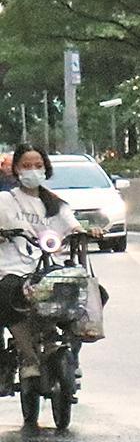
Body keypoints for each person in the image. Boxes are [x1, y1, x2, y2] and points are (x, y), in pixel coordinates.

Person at [1, 146, 80, 375]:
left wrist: (83, 231)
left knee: (89, 293)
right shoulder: (6, 200)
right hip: (12, 269)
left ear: (46, 168)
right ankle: (28, 358)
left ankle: (70, 354)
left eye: (38, 166)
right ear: (16, 170)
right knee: (6, 296)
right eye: (26, 166)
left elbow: (71, 224)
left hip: (49, 269)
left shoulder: (55, 203)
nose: (33, 171)